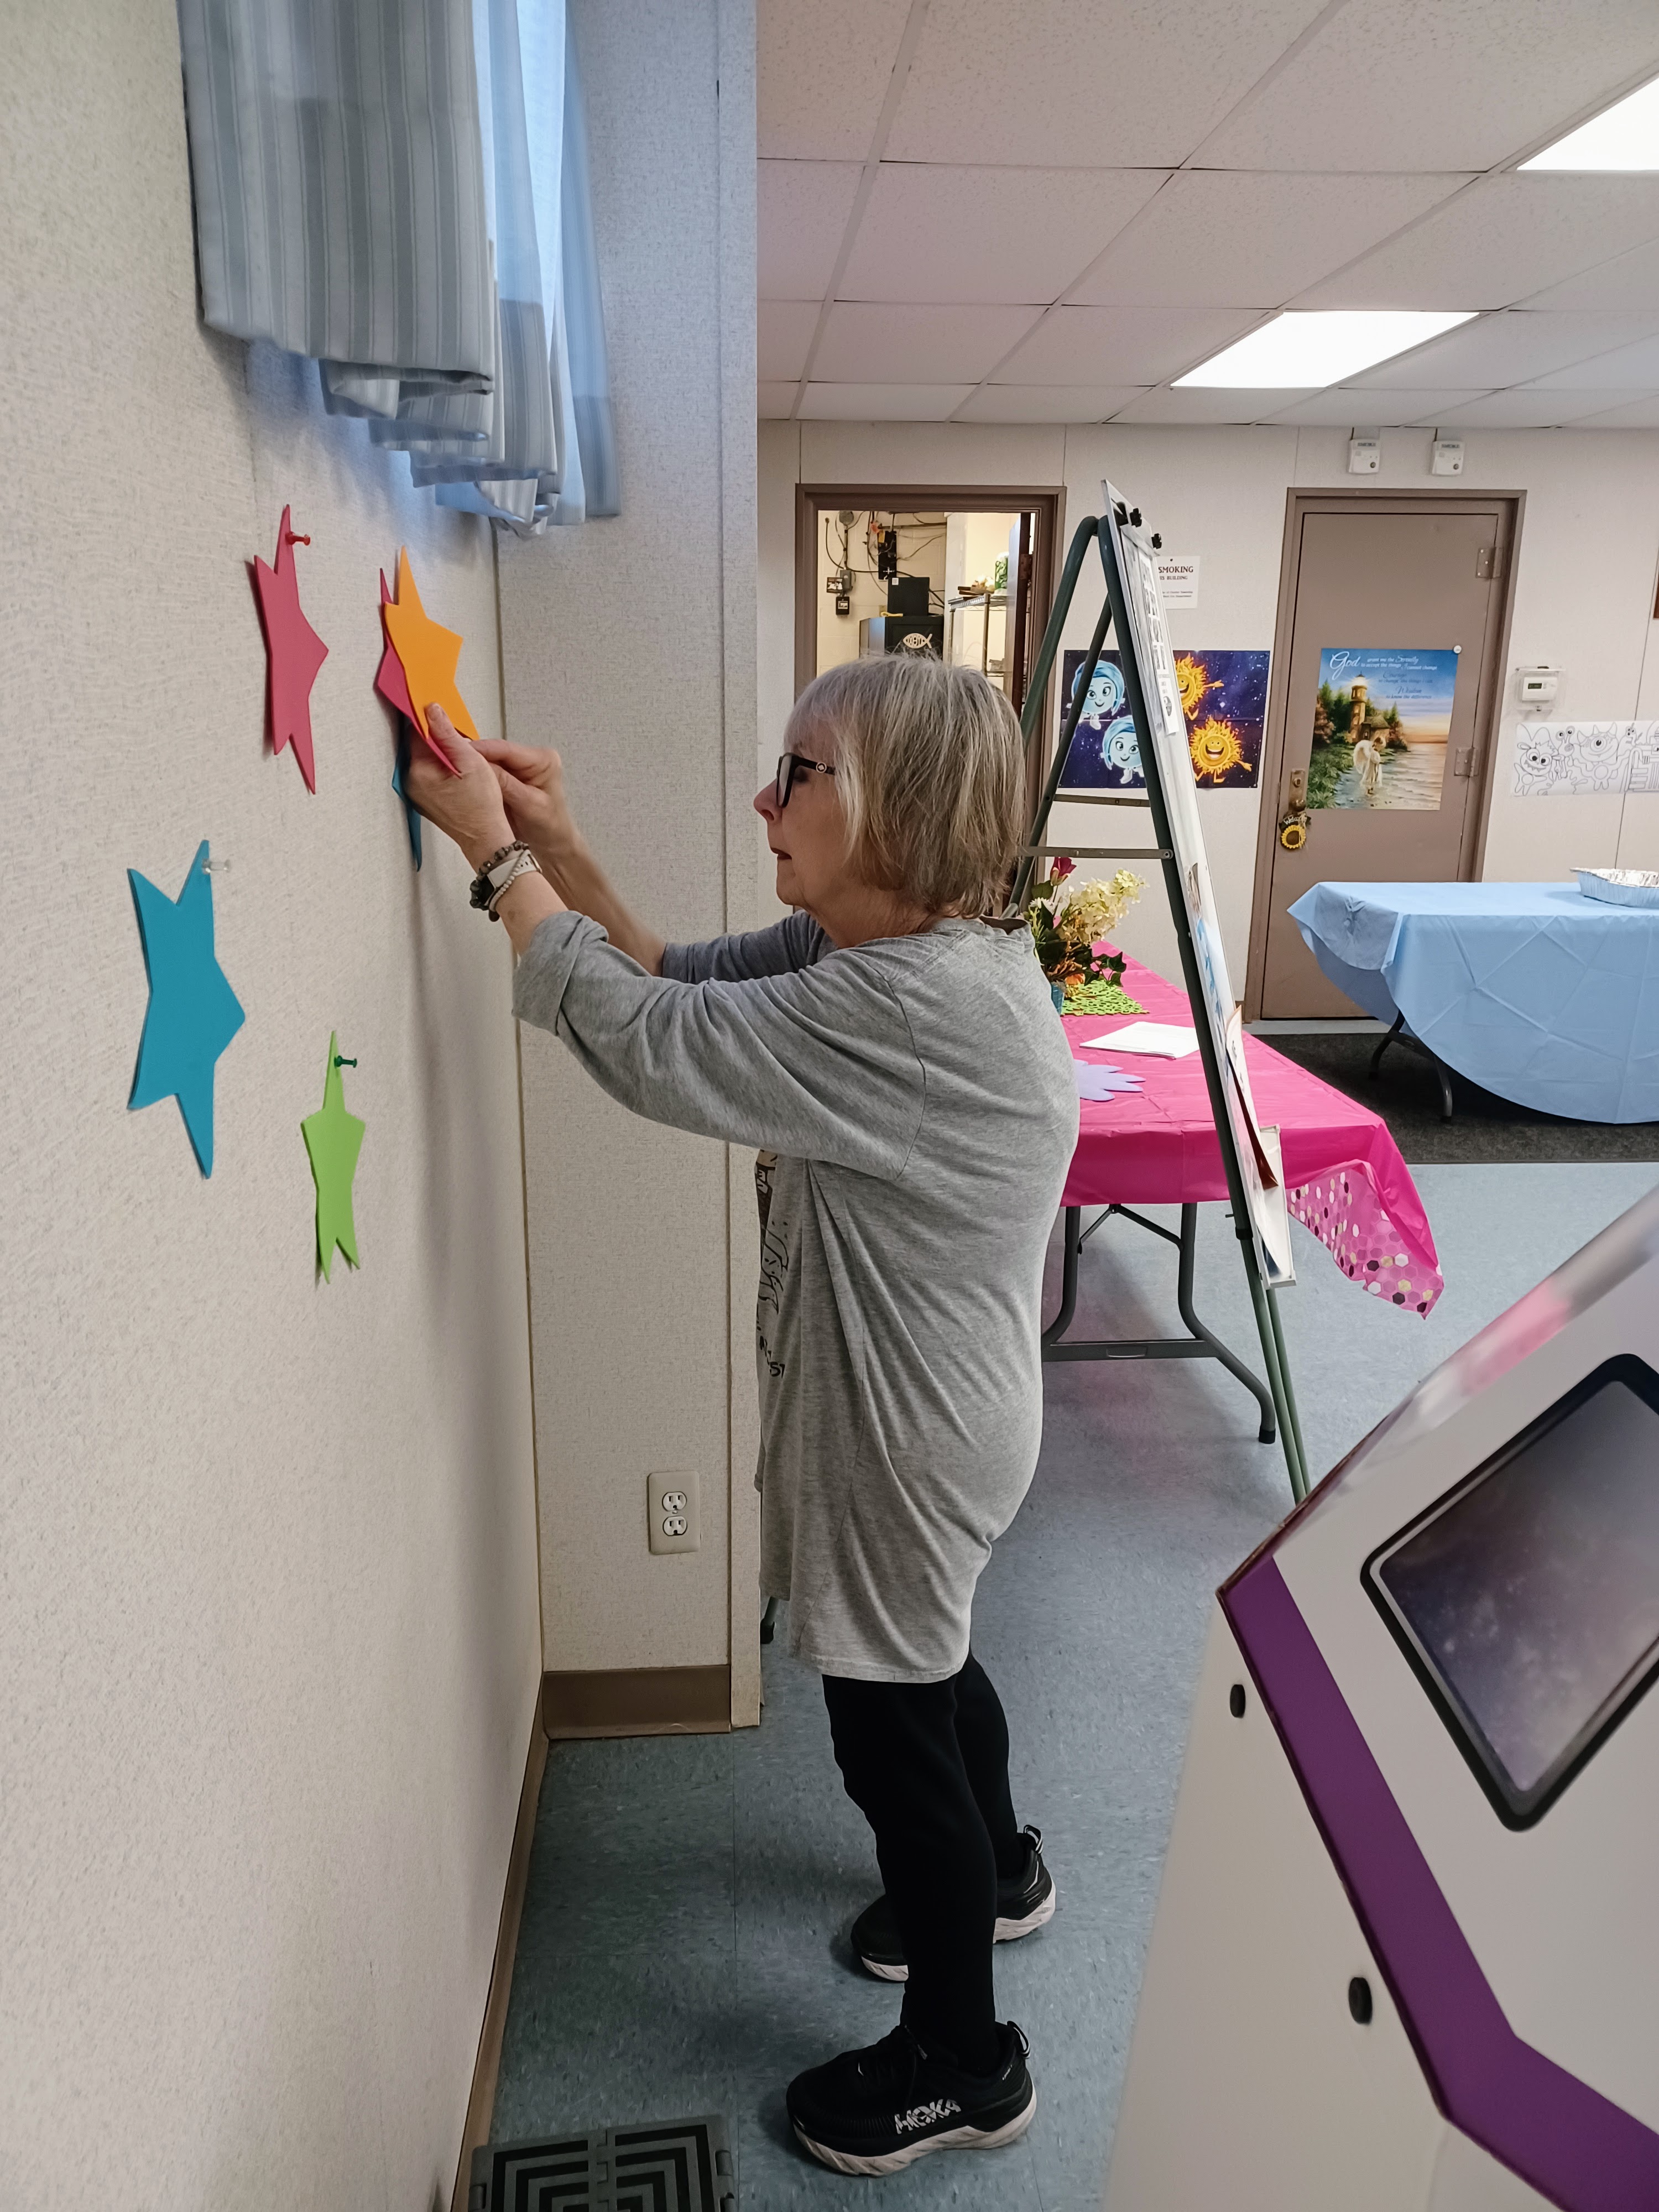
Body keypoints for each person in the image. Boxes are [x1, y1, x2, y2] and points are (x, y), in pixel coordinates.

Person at [406, 655, 1078, 2178]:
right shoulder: (906, 956)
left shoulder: (906, 1008)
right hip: (948, 1412)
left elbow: (649, 1048)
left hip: (902, 1437)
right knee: (932, 1664)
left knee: (892, 1738)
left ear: (897, 811)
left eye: (802, 775)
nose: (764, 801)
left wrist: (498, 864)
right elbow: (678, 987)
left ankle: (964, 2063)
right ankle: (1002, 1875)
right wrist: (558, 846)